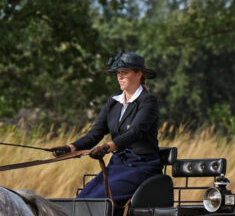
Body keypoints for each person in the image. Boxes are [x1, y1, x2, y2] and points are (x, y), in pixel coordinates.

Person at [50, 51, 161, 202]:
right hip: (117, 165)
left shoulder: (148, 101)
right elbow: (94, 134)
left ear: (139, 74)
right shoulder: (113, 102)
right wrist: (70, 148)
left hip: (142, 166)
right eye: (118, 73)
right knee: (82, 198)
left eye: (125, 72)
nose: (120, 77)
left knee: (99, 199)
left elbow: (135, 132)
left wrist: (108, 147)